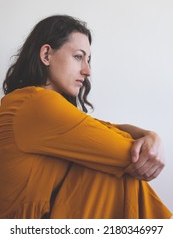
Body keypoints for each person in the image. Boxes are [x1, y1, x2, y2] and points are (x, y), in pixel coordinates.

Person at [0, 15, 172, 219]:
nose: (87, 70)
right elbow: (129, 154)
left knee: (99, 166)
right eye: (78, 57)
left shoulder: (27, 103)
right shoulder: (37, 103)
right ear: (46, 54)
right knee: (113, 168)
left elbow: (102, 128)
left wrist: (150, 136)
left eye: (88, 60)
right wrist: (147, 142)